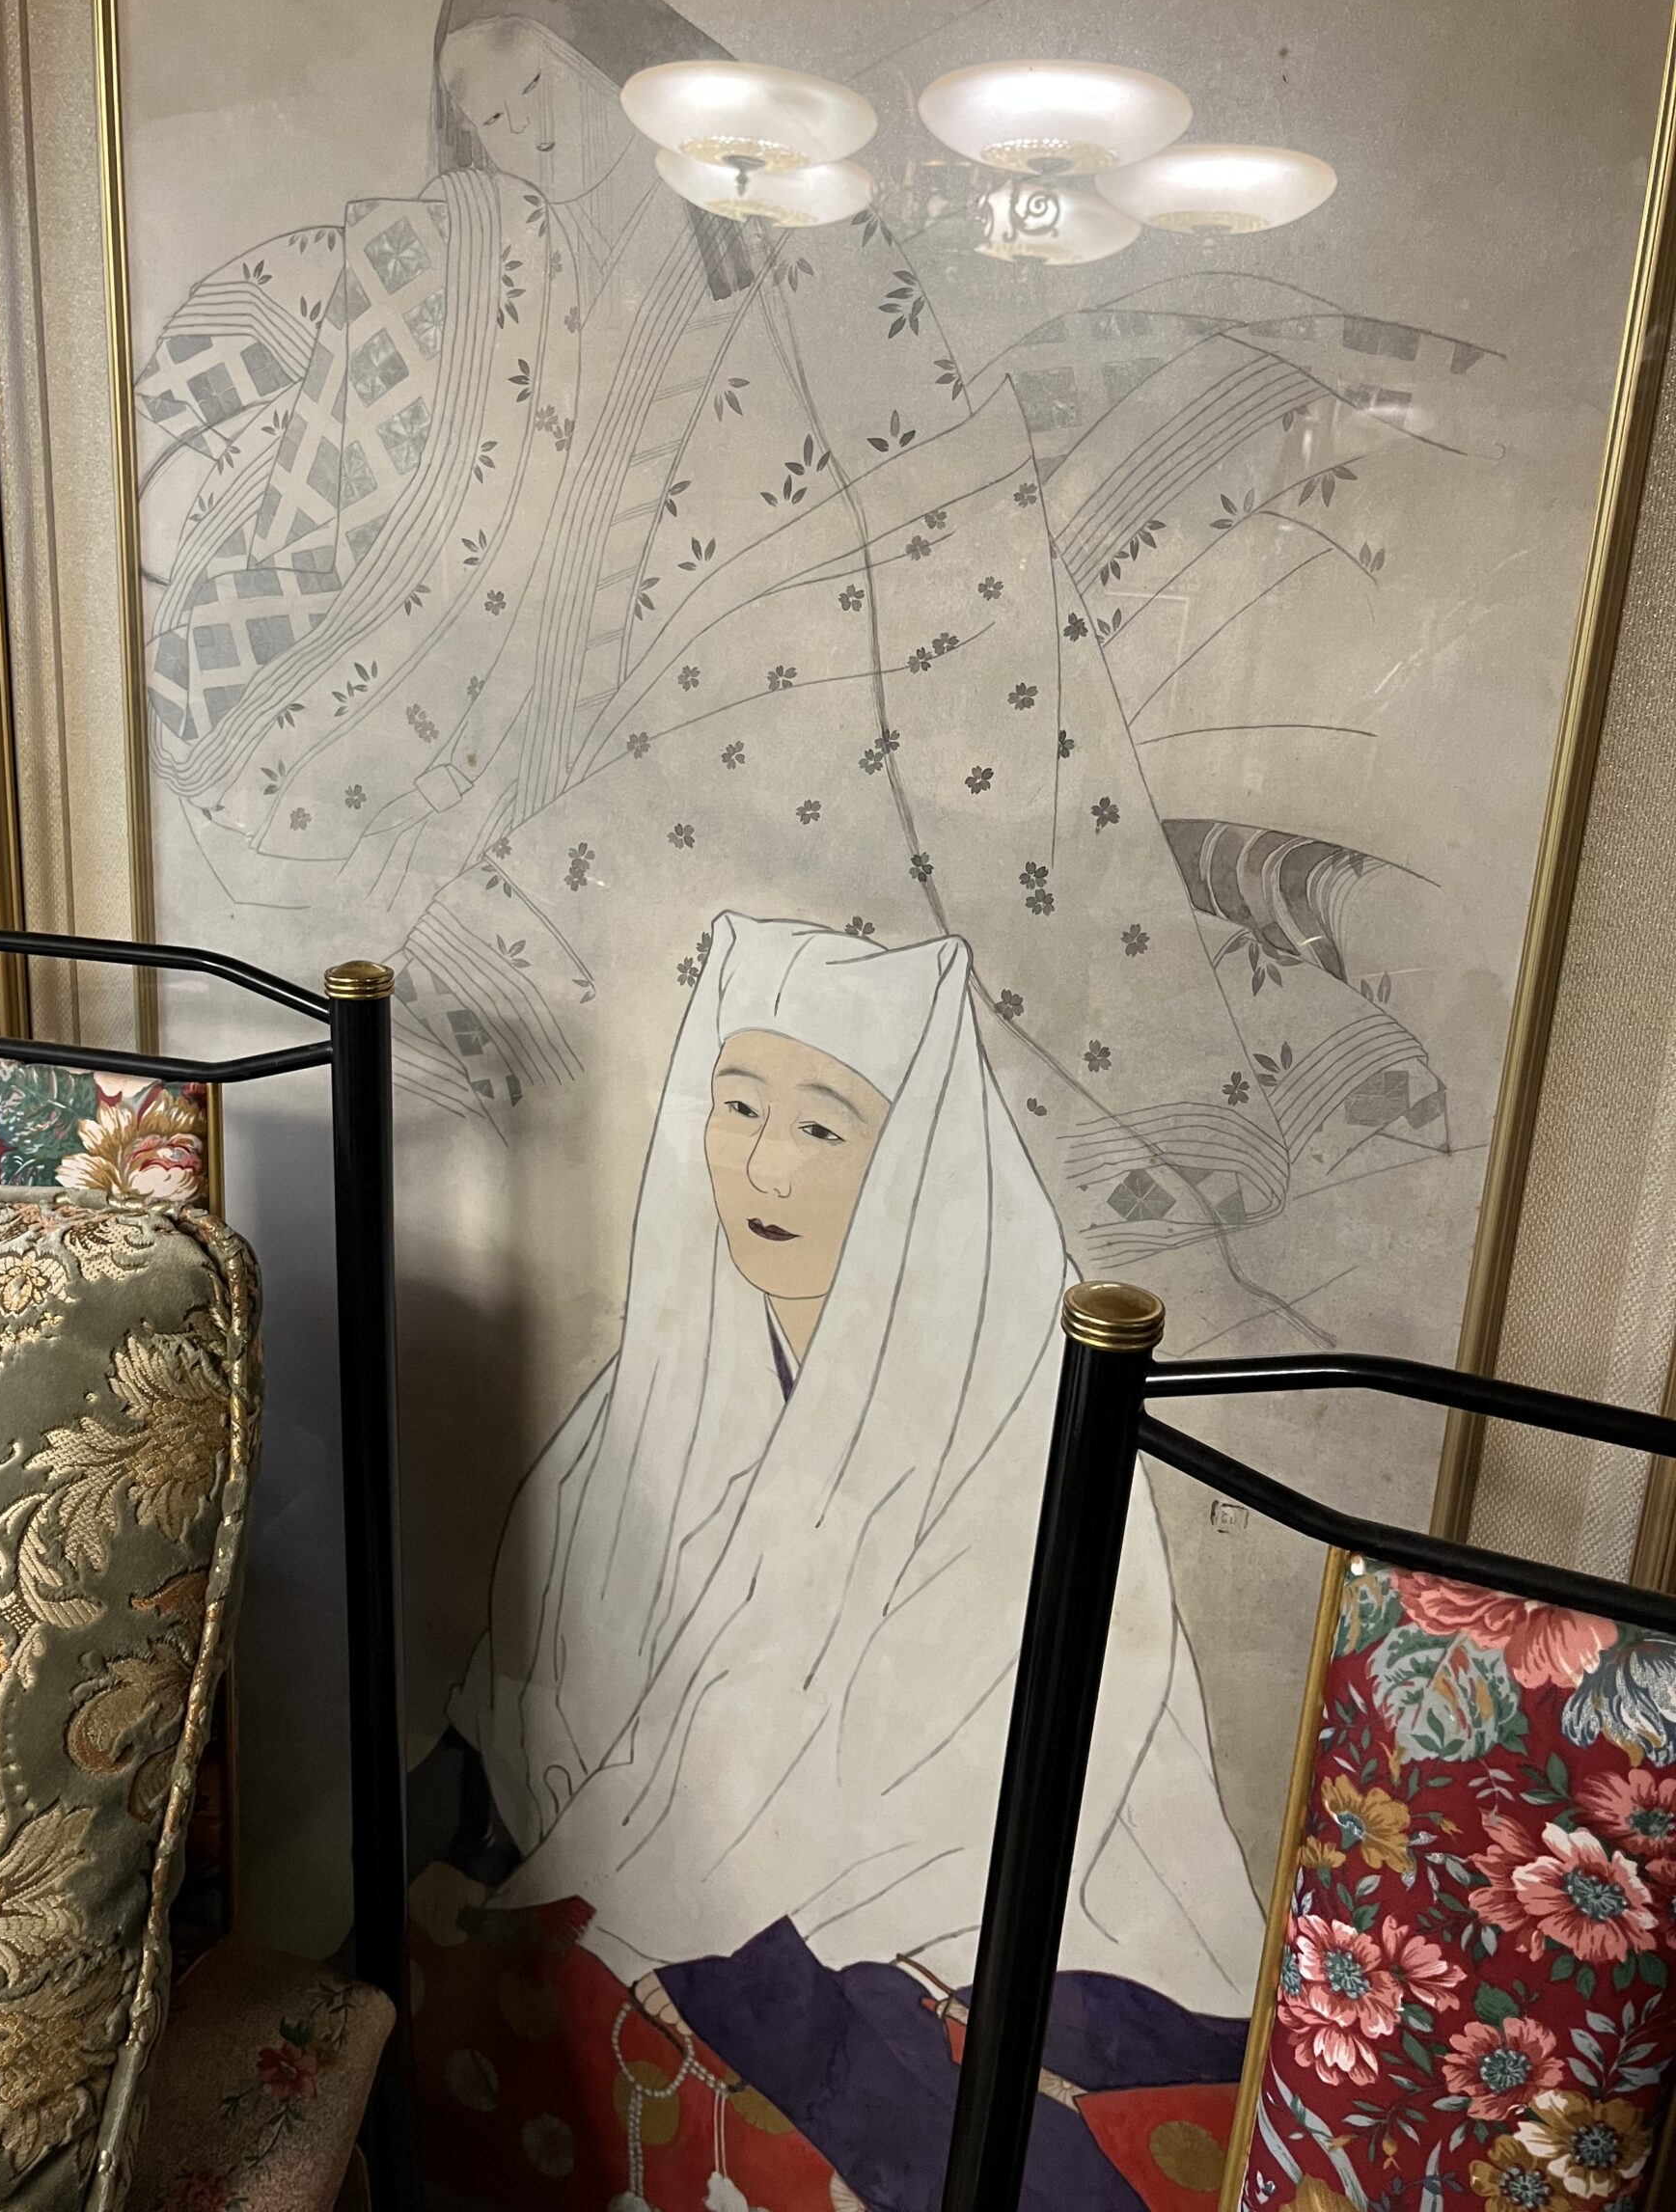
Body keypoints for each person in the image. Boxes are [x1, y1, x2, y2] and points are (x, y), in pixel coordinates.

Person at [441, 912, 1262, 2210]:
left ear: (917, 1157)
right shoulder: (665, 1379)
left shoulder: (1002, 1402)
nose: (765, 1168)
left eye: (824, 1129)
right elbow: (535, 1675)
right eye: (737, 1107)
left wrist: (676, 1896)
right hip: (710, 1883)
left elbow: (946, 1797)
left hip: (1013, 1935)